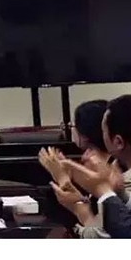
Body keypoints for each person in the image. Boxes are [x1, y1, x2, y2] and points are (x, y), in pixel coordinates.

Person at [38, 100, 111, 238]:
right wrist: (70, 176)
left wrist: (63, 180)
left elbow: (94, 229)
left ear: (84, 136)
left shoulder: (113, 172)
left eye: (73, 126)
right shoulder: (103, 162)